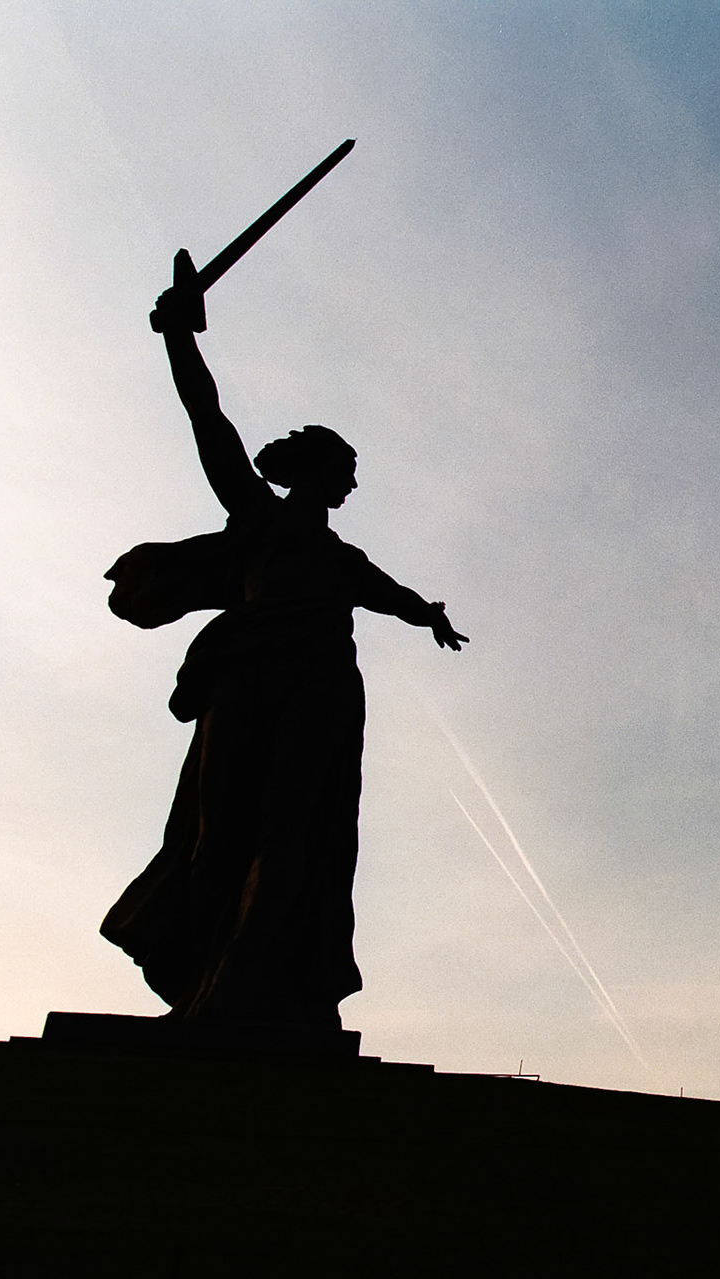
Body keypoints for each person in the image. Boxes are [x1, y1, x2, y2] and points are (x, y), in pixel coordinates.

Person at [99, 261, 466, 1028]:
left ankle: (253, 982)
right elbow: (210, 420)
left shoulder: (343, 560)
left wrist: (425, 611)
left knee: (294, 830)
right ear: (314, 470)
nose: (353, 485)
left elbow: (389, 594)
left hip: (322, 684)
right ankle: (203, 984)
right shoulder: (260, 521)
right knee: (214, 833)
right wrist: (178, 341)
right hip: (247, 675)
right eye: (347, 471)